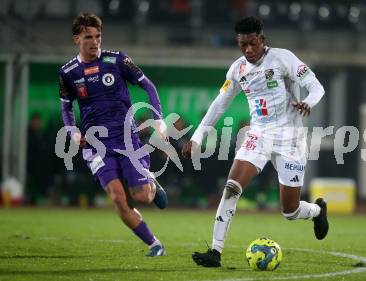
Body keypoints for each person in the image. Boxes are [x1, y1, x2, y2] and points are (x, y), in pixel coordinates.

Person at [182, 16, 329, 267]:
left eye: (252, 43)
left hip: (290, 138)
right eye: (242, 45)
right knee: (231, 187)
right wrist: (197, 137)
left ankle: (317, 211)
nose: (248, 50)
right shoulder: (237, 69)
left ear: (262, 39)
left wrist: (308, 102)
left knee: (290, 211)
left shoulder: (284, 59)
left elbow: (317, 88)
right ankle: (215, 252)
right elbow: (219, 105)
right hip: (259, 135)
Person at [58, 13, 168, 256]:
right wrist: (73, 131)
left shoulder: (117, 60)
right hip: (95, 144)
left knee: (141, 196)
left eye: (98, 36)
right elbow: (66, 107)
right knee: (118, 197)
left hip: (126, 139)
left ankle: (151, 181)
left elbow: (147, 85)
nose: (95, 41)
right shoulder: (68, 72)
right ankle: (155, 244)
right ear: (77, 39)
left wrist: (158, 120)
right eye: (88, 37)